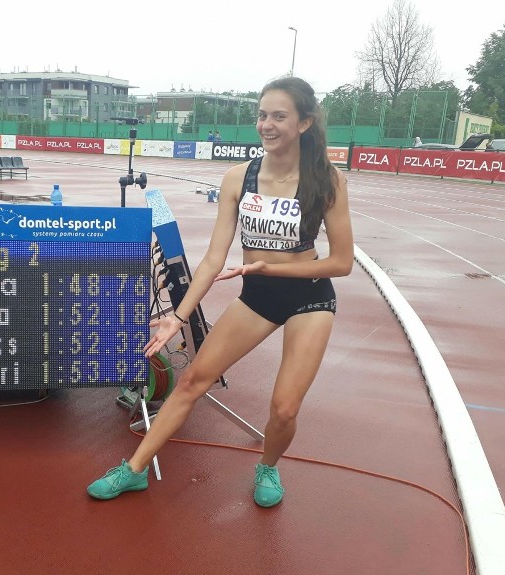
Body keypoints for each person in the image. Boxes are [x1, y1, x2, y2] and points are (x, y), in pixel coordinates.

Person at [87, 76, 354, 507]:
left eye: (279, 116)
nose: (267, 125)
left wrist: (273, 265)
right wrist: (178, 316)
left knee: (284, 408)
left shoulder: (326, 180)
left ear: (304, 123)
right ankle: (133, 470)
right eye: (262, 115)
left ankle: (267, 466)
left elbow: (342, 262)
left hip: (310, 297)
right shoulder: (238, 178)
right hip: (257, 297)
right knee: (192, 380)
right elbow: (214, 258)